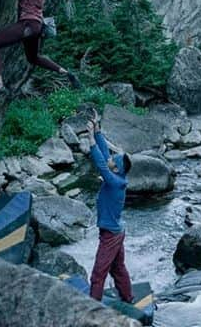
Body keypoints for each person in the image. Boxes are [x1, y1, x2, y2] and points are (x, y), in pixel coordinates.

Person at [87, 109, 134, 304]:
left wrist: (90, 138)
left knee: (98, 274)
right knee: (117, 268)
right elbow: (106, 156)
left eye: (114, 161)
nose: (110, 158)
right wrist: (97, 129)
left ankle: (91, 311)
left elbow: (101, 164)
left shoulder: (114, 182)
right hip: (115, 231)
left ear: (117, 168)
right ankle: (128, 298)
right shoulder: (118, 177)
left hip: (111, 235)